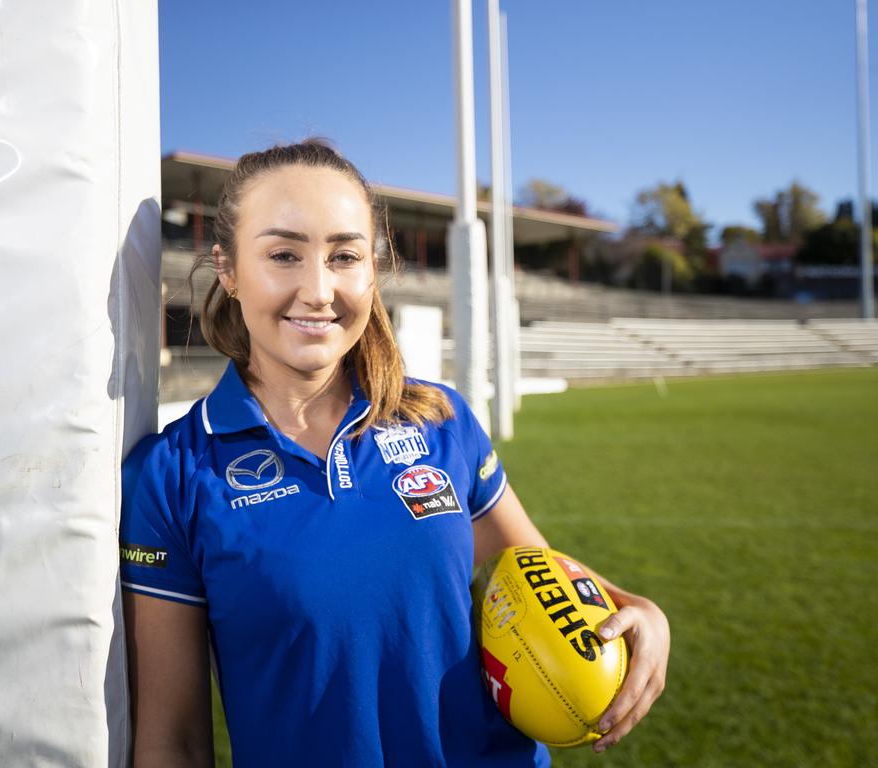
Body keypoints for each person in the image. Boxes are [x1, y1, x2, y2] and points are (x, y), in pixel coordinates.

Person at [119, 140, 670, 768]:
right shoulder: (171, 475)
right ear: (228, 270)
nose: (319, 289)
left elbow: (531, 574)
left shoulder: (441, 419)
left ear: (372, 271)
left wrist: (639, 609)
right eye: (283, 255)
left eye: (345, 256)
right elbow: (173, 742)